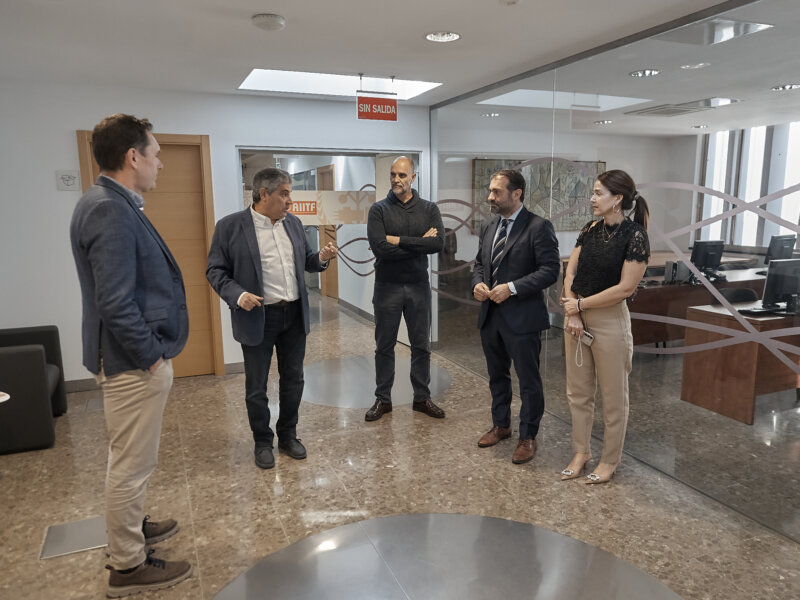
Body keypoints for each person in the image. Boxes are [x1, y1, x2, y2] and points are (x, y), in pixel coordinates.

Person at [70, 114, 192, 597]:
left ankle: (134, 526)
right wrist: (150, 357)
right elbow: (114, 300)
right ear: (132, 157)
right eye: (156, 154)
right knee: (130, 464)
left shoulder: (110, 201)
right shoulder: (108, 209)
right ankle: (127, 565)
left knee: (129, 457)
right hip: (131, 361)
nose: (160, 163)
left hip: (127, 357)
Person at [206, 168, 337, 469]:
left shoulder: (293, 224)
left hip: (292, 314)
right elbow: (216, 271)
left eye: (289, 193)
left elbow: (306, 262)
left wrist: (322, 259)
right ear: (264, 194)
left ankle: (288, 436)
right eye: (284, 193)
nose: (290, 200)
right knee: (257, 386)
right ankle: (262, 442)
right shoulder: (230, 227)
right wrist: (239, 296)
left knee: (294, 380)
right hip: (257, 317)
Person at [560, 169, 650, 484]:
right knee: (578, 393)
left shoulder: (635, 235)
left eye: (599, 193)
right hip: (575, 317)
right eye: (594, 192)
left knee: (614, 397)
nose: (592, 198)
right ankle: (581, 452)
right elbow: (570, 272)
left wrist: (581, 306)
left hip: (609, 321)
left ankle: (609, 460)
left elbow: (625, 288)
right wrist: (572, 312)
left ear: (618, 199)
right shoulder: (589, 229)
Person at [472, 169, 560, 464]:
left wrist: (511, 288)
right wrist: (477, 283)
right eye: (490, 191)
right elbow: (479, 263)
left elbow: (550, 271)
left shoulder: (538, 227)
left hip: (523, 320)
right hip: (491, 317)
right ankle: (502, 425)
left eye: (496, 192)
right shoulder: (488, 225)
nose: (490, 197)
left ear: (516, 193)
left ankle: (528, 436)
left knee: (528, 381)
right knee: (497, 376)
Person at [364, 156, 446, 421]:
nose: (396, 180)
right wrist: (417, 243)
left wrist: (396, 240)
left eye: (402, 175)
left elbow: (437, 245)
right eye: (393, 175)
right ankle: (382, 399)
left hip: (418, 287)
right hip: (387, 286)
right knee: (384, 346)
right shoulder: (378, 210)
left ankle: (421, 398)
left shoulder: (429, 209)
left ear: (413, 176)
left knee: (421, 346)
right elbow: (379, 247)